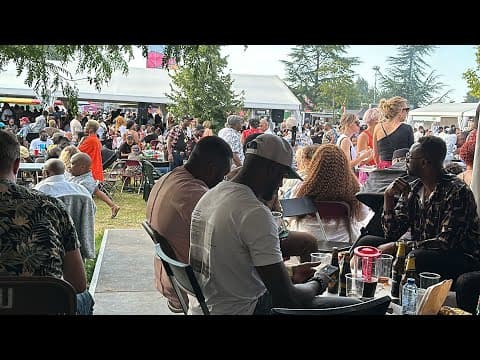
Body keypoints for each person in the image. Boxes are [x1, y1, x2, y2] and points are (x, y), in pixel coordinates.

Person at [188, 134, 360, 315]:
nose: (280, 184)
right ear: (270, 170)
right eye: (281, 175)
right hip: (243, 310)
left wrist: (291, 275)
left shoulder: (212, 195)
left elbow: (234, 261)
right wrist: (319, 281)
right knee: (355, 306)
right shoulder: (254, 212)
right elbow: (288, 299)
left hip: (207, 305)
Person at [359, 136, 480, 284]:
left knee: (415, 257)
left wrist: (398, 246)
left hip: (460, 257)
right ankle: (359, 292)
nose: (406, 160)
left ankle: (403, 299)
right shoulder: (415, 188)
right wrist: (388, 198)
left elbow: (445, 243)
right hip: (423, 249)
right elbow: (391, 233)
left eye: (409, 157)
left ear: (424, 163)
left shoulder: (457, 192)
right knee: (367, 242)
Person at [0, 130, 94, 314]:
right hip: (41, 306)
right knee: (85, 298)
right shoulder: (50, 206)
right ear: (17, 165)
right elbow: (78, 284)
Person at [146, 136, 233, 313]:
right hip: (190, 289)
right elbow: (231, 235)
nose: (222, 181)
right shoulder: (193, 193)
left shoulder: (171, 177)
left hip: (172, 278)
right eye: (222, 176)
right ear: (210, 169)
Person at [291, 144, 373, 244]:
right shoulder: (354, 188)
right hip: (342, 241)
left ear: (316, 163)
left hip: (307, 239)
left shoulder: (302, 186)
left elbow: (292, 213)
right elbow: (362, 216)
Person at [34, 159, 96, 260]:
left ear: (45, 172)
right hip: (79, 237)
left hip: (51, 240)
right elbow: (92, 210)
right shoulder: (81, 189)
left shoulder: (40, 190)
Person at [69, 152, 120, 219]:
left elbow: (78, 199)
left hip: (79, 213)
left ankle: (113, 206)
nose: (69, 166)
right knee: (96, 190)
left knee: (96, 190)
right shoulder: (77, 174)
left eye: (72, 164)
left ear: (82, 167)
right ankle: (113, 206)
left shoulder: (85, 183)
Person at [373, 96, 414, 169]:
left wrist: (380, 167)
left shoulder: (378, 127)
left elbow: (375, 155)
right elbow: (412, 154)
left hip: (383, 168)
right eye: (406, 110)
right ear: (400, 111)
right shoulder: (407, 128)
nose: (407, 113)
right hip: (401, 169)